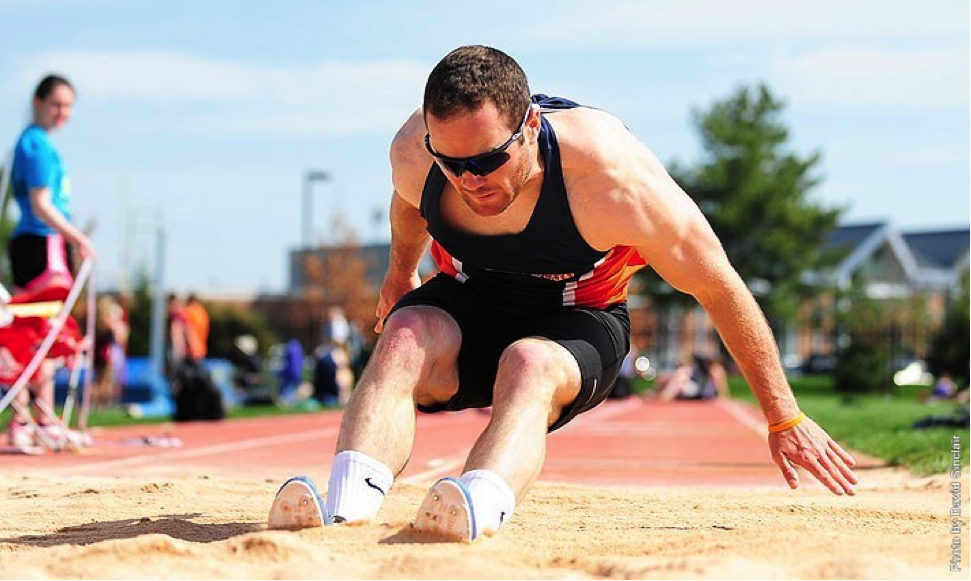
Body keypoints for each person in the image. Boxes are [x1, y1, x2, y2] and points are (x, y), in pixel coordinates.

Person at [267, 46, 859, 540]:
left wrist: (783, 417)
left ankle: (475, 502)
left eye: (489, 160)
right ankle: (345, 508)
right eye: (453, 165)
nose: (472, 182)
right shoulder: (415, 155)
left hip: (579, 316)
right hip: (476, 296)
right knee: (403, 333)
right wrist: (400, 272)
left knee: (529, 362)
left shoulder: (611, 179)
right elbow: (408, 205)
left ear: (529, 128)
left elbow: (719, 285)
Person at [4, 74, 96, 451]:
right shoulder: (37, 146)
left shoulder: (30, 143)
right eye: (57, 104)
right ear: (39, 101)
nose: (64, 113)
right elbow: (42, 204)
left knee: (35, 330)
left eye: (69, 105)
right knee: (44, 333)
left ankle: (29, 419)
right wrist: (78, 237)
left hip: (35, 243)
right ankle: (35, 419)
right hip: (42, 243)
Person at [653, 353, 729, 401]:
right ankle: (661, 395)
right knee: (674, 381)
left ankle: (663, 396)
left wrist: (724, 396)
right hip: (697, 391)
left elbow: (721, 384)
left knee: (678, 381)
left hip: (701, 393)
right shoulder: (693, 370)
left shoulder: (715, 370)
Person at [182, 293, 209, 362]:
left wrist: (195, 348)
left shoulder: (188, 311)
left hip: (191, 350)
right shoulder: (203, 312)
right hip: (201, 349)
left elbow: (189, 330)